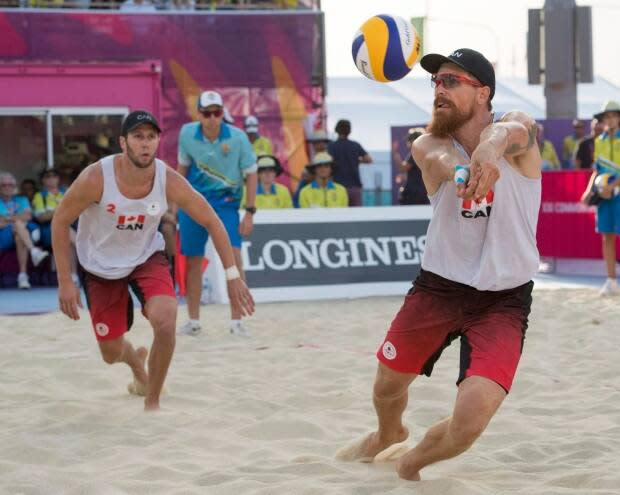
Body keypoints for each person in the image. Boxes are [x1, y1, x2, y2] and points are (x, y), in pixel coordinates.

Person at [336, 48, 541, 481]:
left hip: (504, 302)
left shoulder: (516, 136)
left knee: (468, 425)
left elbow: (517, 128)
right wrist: (461, 172)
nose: (439, 89)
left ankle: (409, 465)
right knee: (386, 388)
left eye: (451, 81)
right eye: (436, 82)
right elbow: (436, 158)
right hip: (439, 289)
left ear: (483, 92)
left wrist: (491, 144)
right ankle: (387, 435)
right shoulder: (428, 142)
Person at [51, 110, 254, 411]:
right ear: (123, 142)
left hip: (147, 257)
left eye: (151, 137)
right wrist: (65, 281)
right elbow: (60, 221)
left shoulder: (167, 178)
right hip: (100, 266)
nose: (145, 144)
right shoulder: (96, 178)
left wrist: (233, 274)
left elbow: (212, 220)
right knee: (110, 352)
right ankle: (135, 361)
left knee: (166, 319)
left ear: (158, 141)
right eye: (137, 137)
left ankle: (152, 402)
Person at [176, 91, 257, 337]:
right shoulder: (187, 133)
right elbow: (181, 168)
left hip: (226, 204)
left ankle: (236, 321)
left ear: (223, 113)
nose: (212, 118)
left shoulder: (239, 138)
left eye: (217, 113)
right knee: (192, 261)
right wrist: (173, 204)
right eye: (207, 113)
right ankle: (193, 321)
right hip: (193, 203)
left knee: (233, 258)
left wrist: (250, 212)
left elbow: (252, 173)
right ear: (199, 114)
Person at [580, 101, 620, 296]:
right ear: (602, 120)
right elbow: (598, 170)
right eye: (607, 117)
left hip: (617, 194)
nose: (610, 120)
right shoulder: (600, 140)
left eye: (614, 116)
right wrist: (589, 190)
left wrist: (612, 185)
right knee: (607, 237)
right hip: (604, 196)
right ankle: (611, 281)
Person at [0, 172, 49, 289]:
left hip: (19, 235)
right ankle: (34, 251)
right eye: (4, 185)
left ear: (15, 186)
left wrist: (6, 218)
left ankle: (23, 276)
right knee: (18, 224)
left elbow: (28, 216)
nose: (8, 187)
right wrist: (17, 218)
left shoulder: (22, 199)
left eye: (10, 185)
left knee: (19, 236)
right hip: (2, 237)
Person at [32, 168, 80, 285]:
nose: (51, 179)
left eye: (54, 176)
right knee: (66, 232)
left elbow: (76, 211)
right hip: (47, 230)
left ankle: (73, 275)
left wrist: (54, 212)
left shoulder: (67, 192)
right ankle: (84, 248)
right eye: (47, 176)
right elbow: (41, 217)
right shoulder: (40, 196)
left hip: (67, 226)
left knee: (68, 237)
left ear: (58, 179)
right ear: (43, 180)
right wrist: (62, 210)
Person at [327, 119, 372, 206]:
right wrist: (357, 160)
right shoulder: (355, 145)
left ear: (336, 130)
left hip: (337, 187)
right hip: (354, 187)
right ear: (349, 131)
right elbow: (369, 159)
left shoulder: (331, 146)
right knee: (356, 216)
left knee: (339, 215)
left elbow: (328, 163)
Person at [398, 128, 429, 205]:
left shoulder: (416, 153)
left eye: (410, 140)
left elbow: (403, 168)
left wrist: (395, 154)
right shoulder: (425, 153)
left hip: (414, 192)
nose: (408, 143)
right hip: (424, 191)